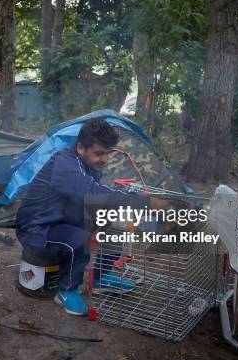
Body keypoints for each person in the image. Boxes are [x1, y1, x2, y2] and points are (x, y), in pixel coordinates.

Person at [16, 119, 170, 316]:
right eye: (99, 153)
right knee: (78, 239)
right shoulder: (65, 163)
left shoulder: (89, 165)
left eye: (107, 153)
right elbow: (91, 194)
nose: (104, 159)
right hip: (37, 227)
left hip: (64, 217)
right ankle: (66, 290)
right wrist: (146, 203)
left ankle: (98, 278)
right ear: (80, 147)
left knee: (118, 222)